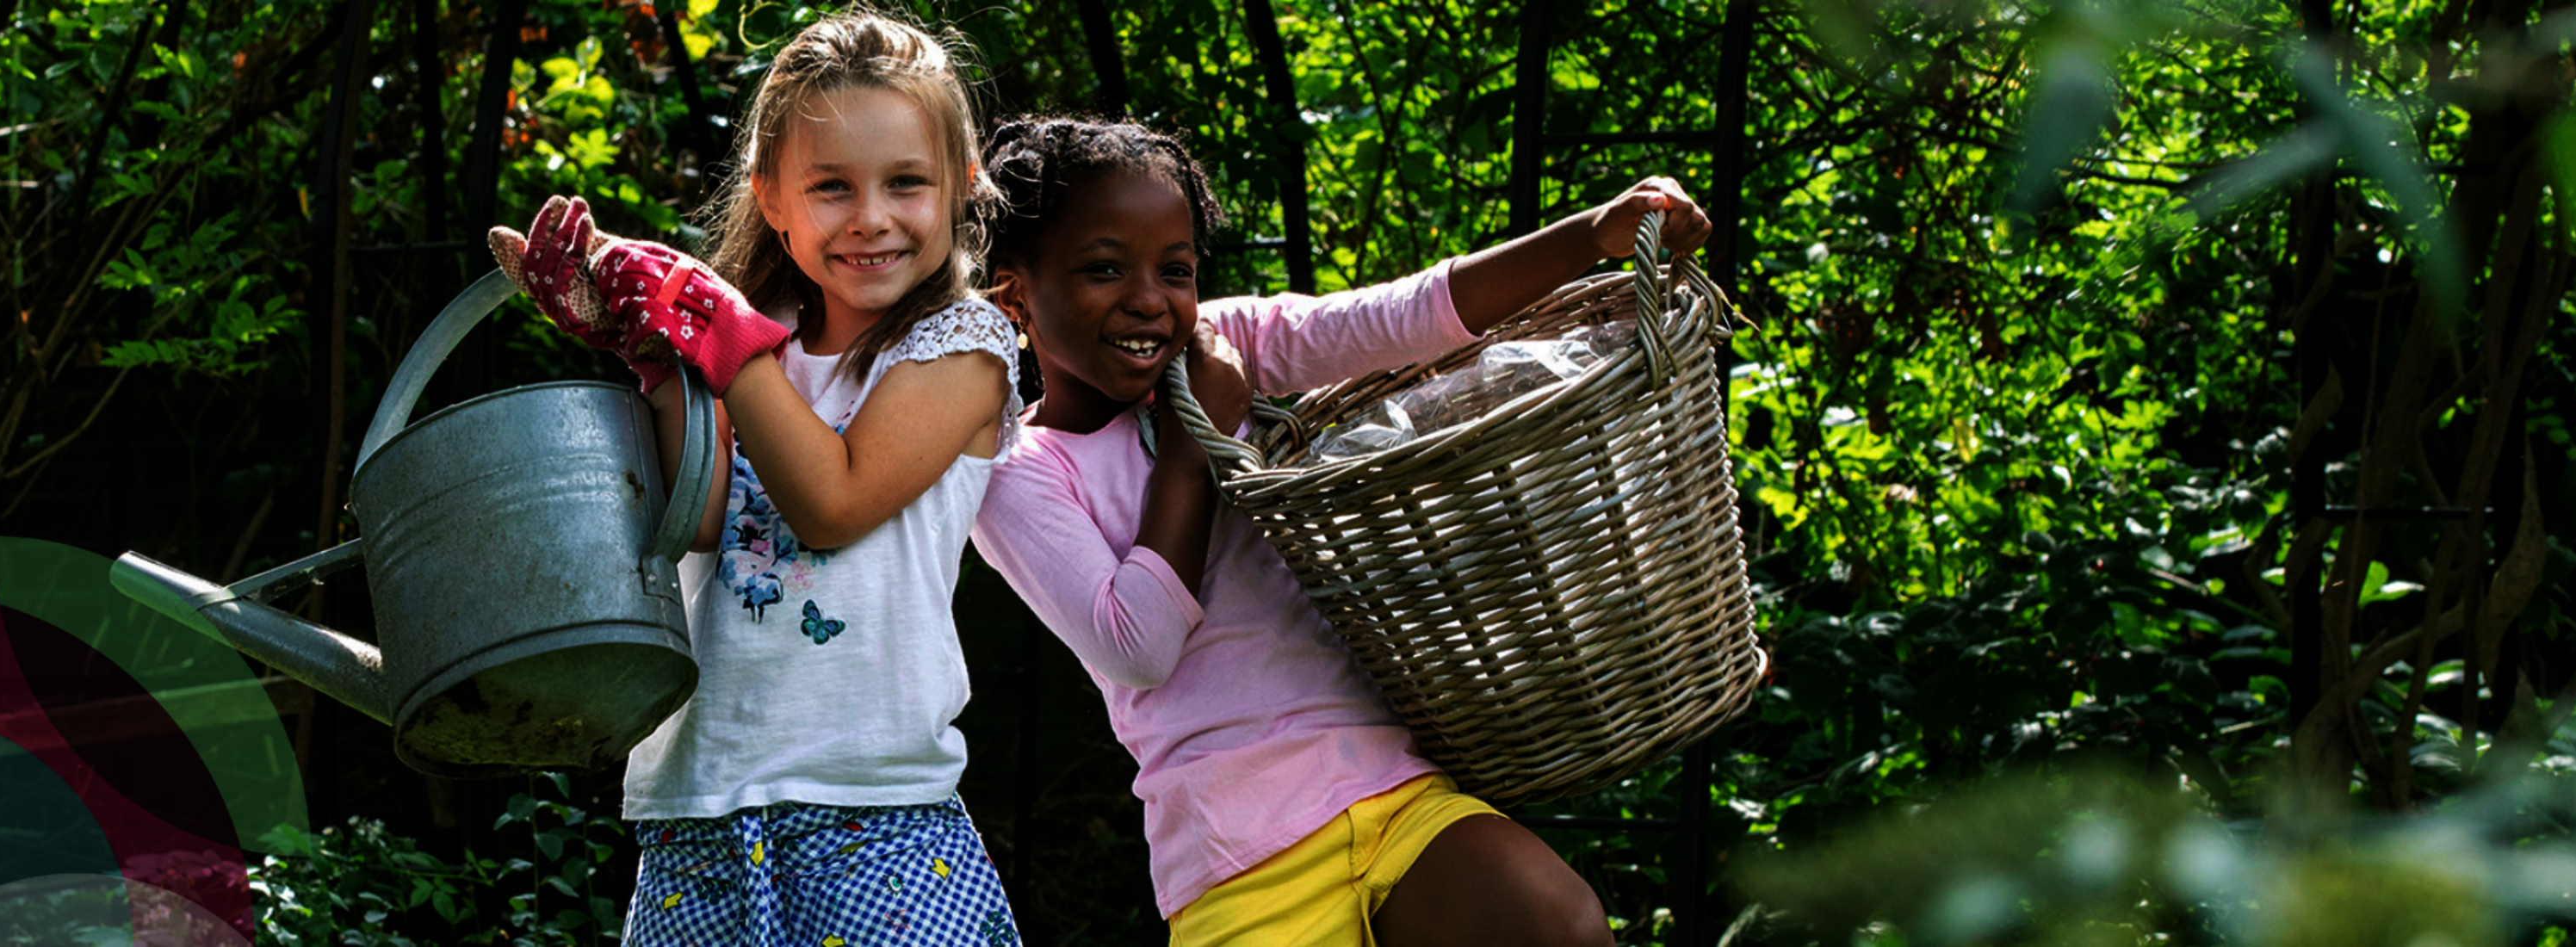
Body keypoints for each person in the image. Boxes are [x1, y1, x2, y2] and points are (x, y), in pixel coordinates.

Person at [965, 117, 1711, 946]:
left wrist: (1590, 236)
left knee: (1556, 922)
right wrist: (1195, 444)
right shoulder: (1015, 470)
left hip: (1391, 789)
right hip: (1240, 856)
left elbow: (1408, 316)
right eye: (1105, 269)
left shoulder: (1225, 344)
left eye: (1174, 269)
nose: (1150, 298)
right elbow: (1137, 646)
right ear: (1015, 297)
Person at [486, 10, 1021, 945]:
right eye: (830, 187)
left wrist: (719, 339)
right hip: (696, 802)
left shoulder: (962, 347)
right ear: (771, 196)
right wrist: (654, 357)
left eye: (907, 183)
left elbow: (832, 501)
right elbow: (694, 520)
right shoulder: (748, 350)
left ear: (962, 186)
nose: (872, 218)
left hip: (872, 813)